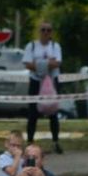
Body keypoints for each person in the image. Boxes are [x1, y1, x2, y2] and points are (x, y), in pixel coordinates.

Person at [23, 21, 64, 153]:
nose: (46, 32)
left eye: (48, 30)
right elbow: (27, 64)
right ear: (39, 31)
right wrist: (47, 63)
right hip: (35, 81)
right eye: (43, 30)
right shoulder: (32, 46)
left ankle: (55, 141)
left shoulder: (55, 46)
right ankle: (30, 140)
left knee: (53, 112)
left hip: (52, 81)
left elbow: (57, 63)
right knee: (32, 112)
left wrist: (38, 64)